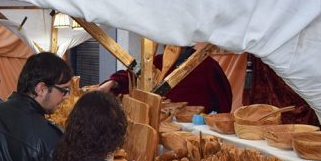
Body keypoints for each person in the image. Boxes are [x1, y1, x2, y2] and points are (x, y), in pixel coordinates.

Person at [99, 45, 233, 113]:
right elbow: (133, 75)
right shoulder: (157, 61)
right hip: (161, 122)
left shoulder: (208, 65)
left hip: (195, 128)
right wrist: (113, 82)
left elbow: (224, 99)